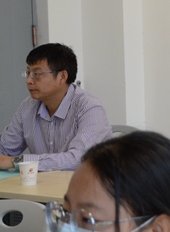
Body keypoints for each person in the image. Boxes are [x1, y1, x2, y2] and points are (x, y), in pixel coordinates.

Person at [0, 43, 112, 171]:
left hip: (88, 182)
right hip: (46, 182)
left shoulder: (89, 108)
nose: (28, 81)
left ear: (62, 77)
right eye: (28, 73)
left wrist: (16, 161)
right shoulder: (28, 107)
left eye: (37, 74)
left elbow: (78, 159)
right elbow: (4, 149)